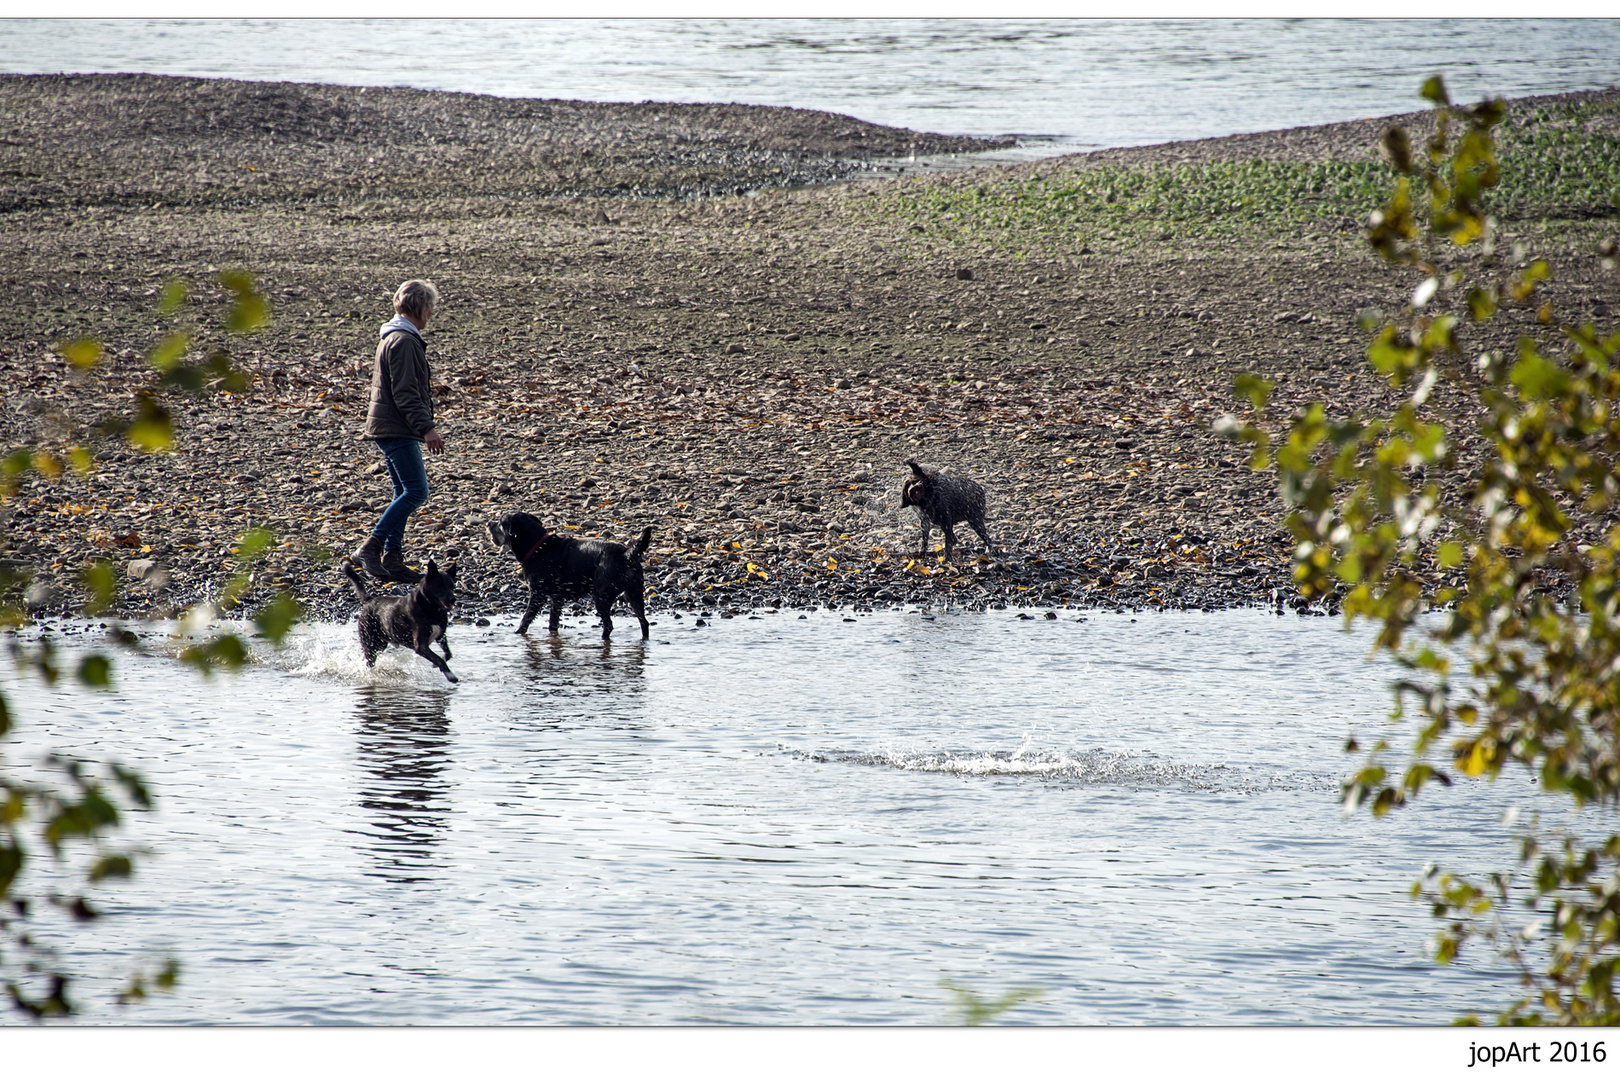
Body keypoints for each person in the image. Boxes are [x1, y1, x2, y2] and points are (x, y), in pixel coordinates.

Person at [352, 279, 445, 584]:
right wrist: (427, 429)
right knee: (417, 491)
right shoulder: (403, 340)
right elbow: (405, 392)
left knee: (402, 492)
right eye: (430, 305)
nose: (432, 312)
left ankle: (392, 559)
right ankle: (371, 548)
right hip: (396, 427)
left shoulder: (395, 335)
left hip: (390, 425)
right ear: (421, 307)